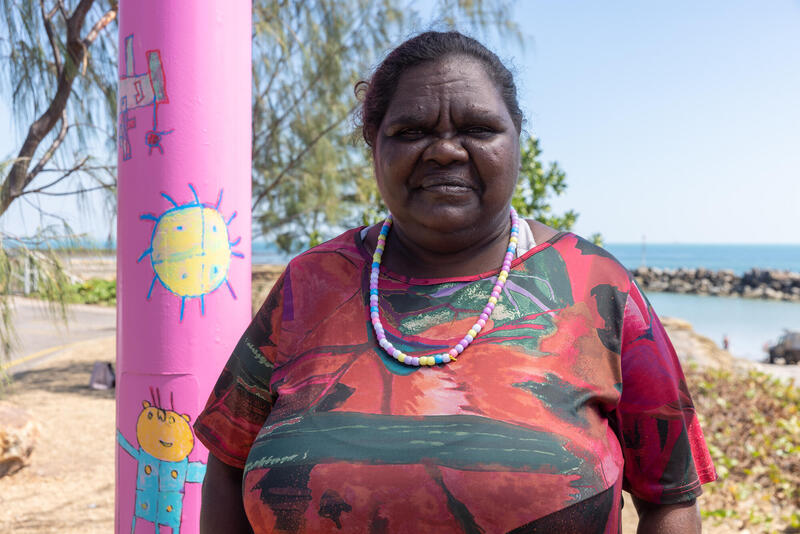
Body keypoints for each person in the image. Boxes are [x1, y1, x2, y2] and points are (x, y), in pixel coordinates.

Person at [195, 31, 716, 533]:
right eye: (411, 131)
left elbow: (670, 499)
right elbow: (226, 463)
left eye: (479, 129)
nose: (445, 150)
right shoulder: (310, 284)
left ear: (516, 140)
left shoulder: (596, 287)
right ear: (373, 145)